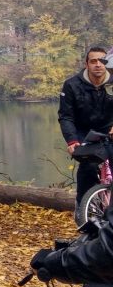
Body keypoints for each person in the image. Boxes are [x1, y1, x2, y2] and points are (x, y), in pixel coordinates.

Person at [58, 45, 113, 205]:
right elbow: (66, 117)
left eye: (102, 60)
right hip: (85, 133)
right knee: (88, 166)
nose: (98, 64)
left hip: (109, 131)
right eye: (93, 61)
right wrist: (72, 141)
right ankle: (83, 207)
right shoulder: (72, 85)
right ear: (86, 64)